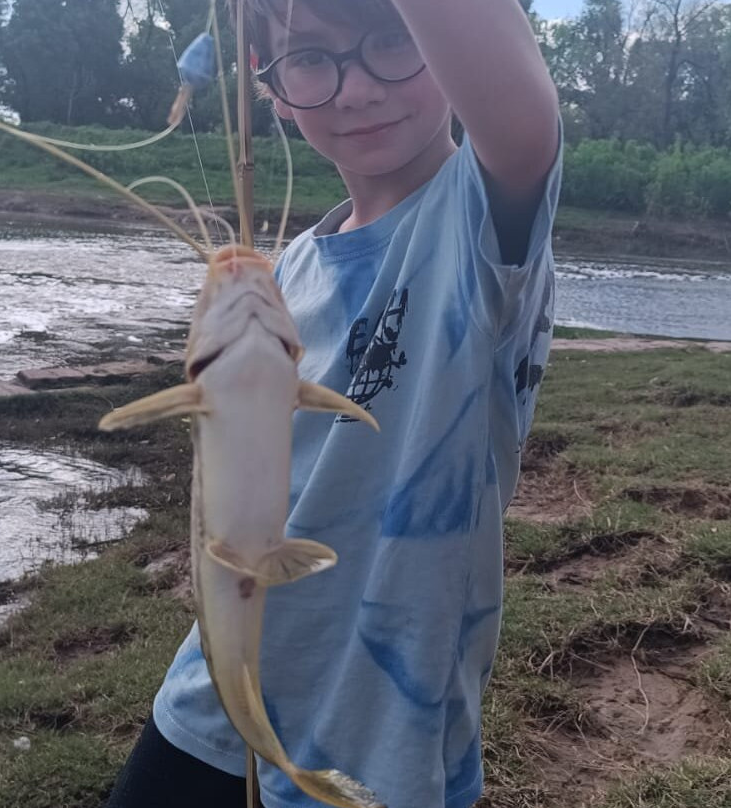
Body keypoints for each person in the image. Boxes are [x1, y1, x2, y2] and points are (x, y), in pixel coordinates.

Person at [107, 0, 560, 805]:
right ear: (270, 88)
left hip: (381, 751)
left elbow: (520, 112)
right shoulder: (284, 273)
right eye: (311, 58)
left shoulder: (480, 224)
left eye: (394, 41)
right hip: (206, 703)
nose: (354, 89)